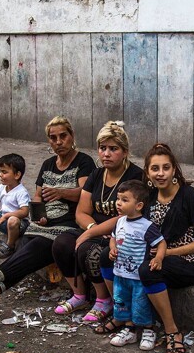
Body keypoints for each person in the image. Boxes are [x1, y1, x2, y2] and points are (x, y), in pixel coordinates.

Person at [0, 116, 95, 312]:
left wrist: (61, 193)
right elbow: (38, 196)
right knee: (27, 245)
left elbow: (86, 194)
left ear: (72, 136)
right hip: (45, 222)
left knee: (38, 246)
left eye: (63, 136)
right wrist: (38, 213)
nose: (58, 142)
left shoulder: (84, 162)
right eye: (53, 138)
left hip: (69, 224)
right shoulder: (48, 164)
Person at [102, 143, 194, 353]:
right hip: (154, 254)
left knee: (148, 270)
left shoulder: (188, 196)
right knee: (107, 258)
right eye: (155, 169)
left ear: (174, 170)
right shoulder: (150, 197)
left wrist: (170, 253)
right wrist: (93, 235)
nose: (161, 173)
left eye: (166, 168)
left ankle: (172, 330)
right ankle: (124, 316)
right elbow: (124, 220)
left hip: (187, 260)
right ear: (147, 172)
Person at [51, 121, 144, 322]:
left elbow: (126, 216)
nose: (106, 154)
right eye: (102, 148)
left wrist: (92, 233)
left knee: (89, 250)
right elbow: (82, 212)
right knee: (61, 243)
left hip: (121, 234)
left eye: (113, 149)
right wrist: (92, 227)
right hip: (95, 229)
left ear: (125, 152)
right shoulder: (97, 174)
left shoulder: (135, 176)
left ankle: (104, 300)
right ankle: (79, 295)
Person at [106, 180, 166, 350]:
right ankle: (129, 329)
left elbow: (161, 243)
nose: (119, 203)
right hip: (120, 273)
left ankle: (148, 330)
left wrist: (158, 259)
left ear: (139, 205)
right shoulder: (119, 222)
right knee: (123, 302)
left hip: (137, 276)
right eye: (118, 199)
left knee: (141, 305)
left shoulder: (147, 226)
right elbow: (113, 237)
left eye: (125, 200)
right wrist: (112, 249)